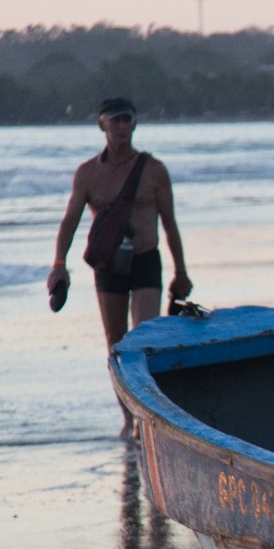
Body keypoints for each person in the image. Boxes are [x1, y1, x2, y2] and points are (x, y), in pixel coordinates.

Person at [48, 97, 192, 435]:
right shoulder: (87, 173)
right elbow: (69, 220)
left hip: (145, 260)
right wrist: (58, 264)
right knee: (115, 342)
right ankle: (128, 417)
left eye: (128, 120)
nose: (122, 127)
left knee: (143, 337)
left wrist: (181, 272)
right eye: (116, 121)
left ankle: (150, 416)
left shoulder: (153, 170)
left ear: (135, 124)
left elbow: (170, 223)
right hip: (108, 264)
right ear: (102, 125)